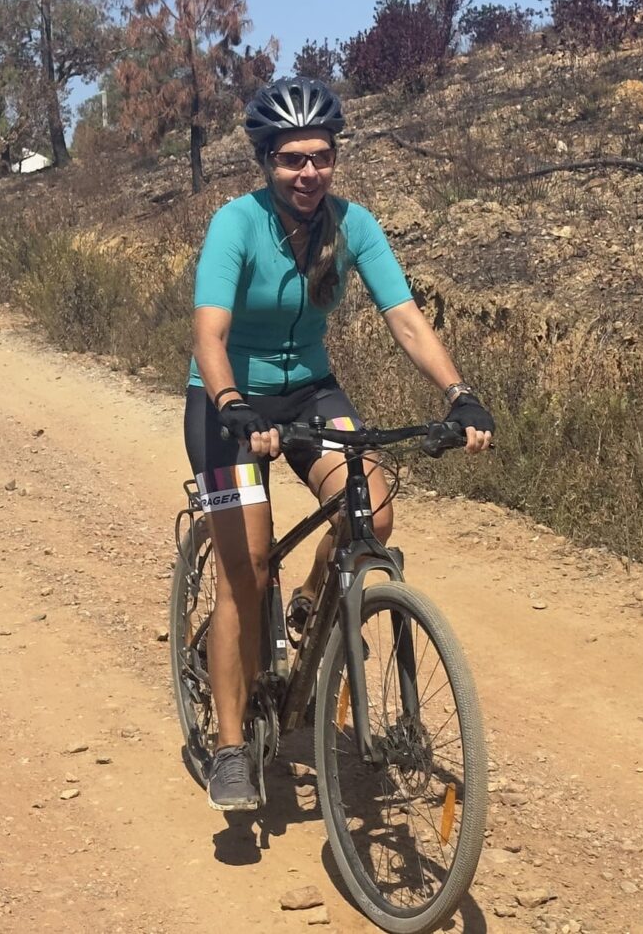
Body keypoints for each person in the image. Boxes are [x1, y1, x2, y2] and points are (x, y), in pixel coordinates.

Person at [185, 76, 495, 811]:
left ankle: (309, 607)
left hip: (311, 391)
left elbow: (407, 319)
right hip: (227, 400)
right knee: (246, 563)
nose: (308, 172)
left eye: (320, 156)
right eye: (292, 158)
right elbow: (210, 334)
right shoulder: (236, 224)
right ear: (266, 160)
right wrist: (231, 404)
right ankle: (231, 746)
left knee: (373, 513)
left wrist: (460, 392)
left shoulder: (353, 225)